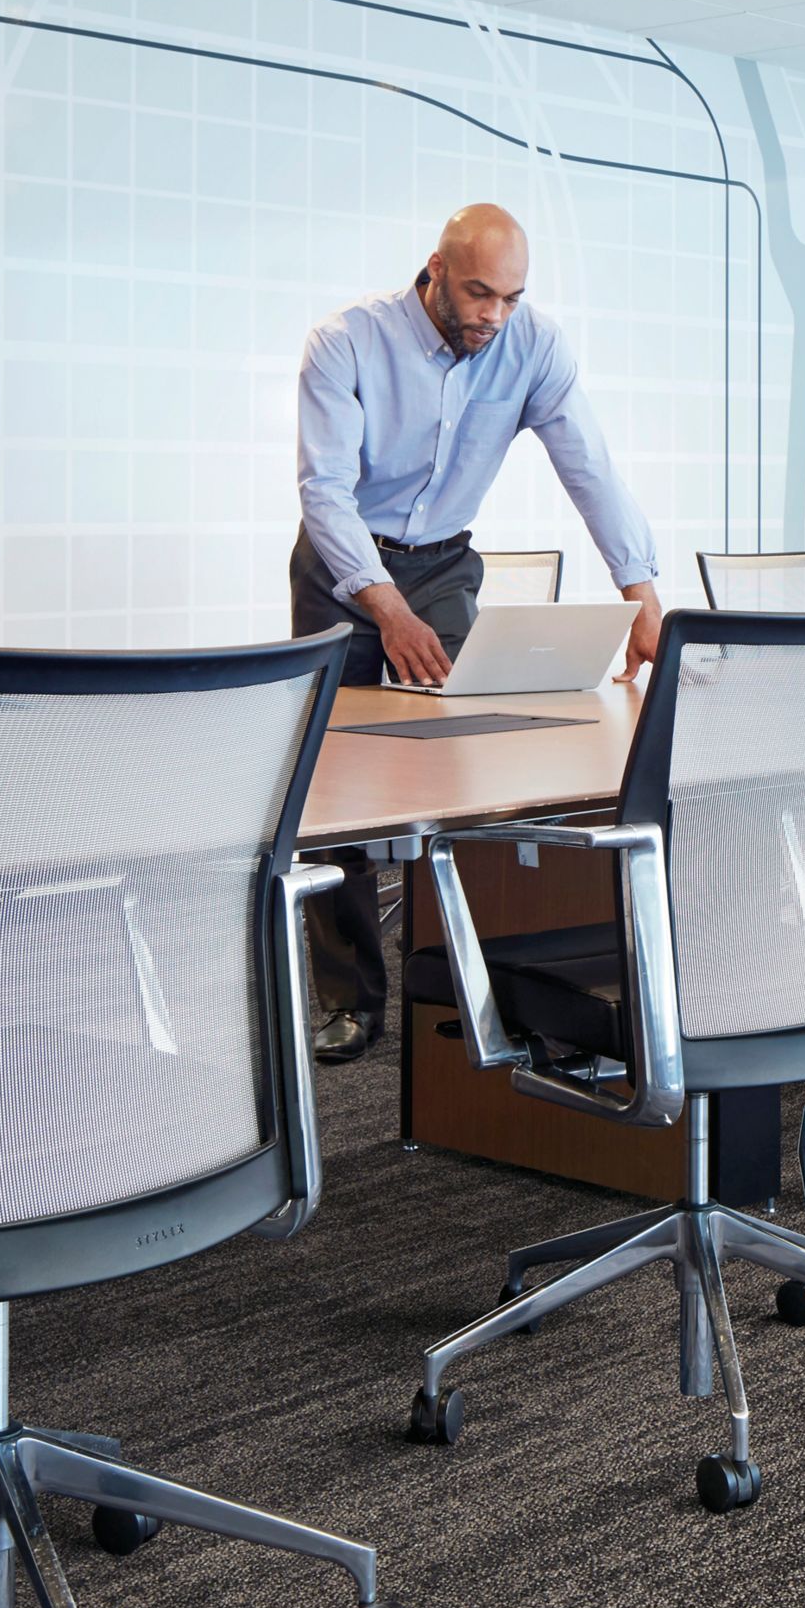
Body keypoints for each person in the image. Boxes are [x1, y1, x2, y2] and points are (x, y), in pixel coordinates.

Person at [291, 202, 664, 1060]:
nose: (493, 314)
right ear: (434, 270)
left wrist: (642, 593)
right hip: (339, 564)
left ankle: (461, 963)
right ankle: (349, 998)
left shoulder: (533, 346)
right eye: (478, 293)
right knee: (332, 775)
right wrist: (383, 607)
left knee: (464, 753)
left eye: (510, 296)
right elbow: (325, 493)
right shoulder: (347, 342)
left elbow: (590, 469)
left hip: (445, 562)